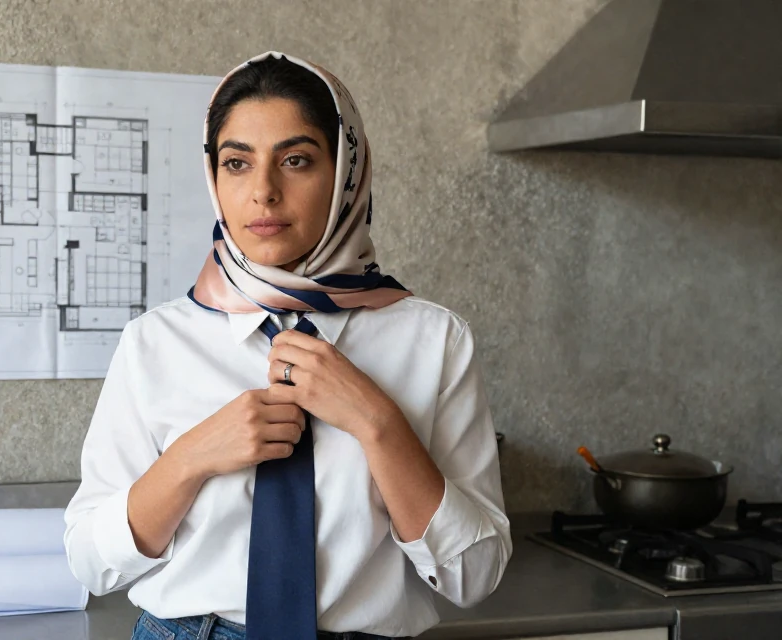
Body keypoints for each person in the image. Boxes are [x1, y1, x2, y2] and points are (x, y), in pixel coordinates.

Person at [63, 51, 511, 640]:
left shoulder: (433, 339)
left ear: (346, 171)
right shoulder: (155, 342)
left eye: (295, 160)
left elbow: (474, 577)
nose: (264, 193)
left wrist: (377, 422)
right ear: (214, 179)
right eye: (237, 164)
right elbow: (92, 564)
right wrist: (191, 457)